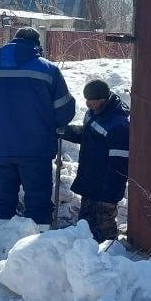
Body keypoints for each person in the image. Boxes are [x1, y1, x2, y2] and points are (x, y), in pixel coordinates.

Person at [0, 27, 76, 231]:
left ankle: (0, 244)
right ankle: (37, 244)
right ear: (37, 45)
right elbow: (63, 111)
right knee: (38, 198)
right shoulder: (48, 70)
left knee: (1, 197)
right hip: (36, 149)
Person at [60, 79, 130, 242]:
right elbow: (88, 136)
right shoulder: (95, 112)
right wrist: (66, 131)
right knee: (85, 227)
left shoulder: (118, 125)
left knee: (104, 229)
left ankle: (111, 256)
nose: (87, 104)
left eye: (91, 100)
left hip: (105, 188)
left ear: (102, 99)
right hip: (90, 182)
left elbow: (119, 167)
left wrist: (109, 196)